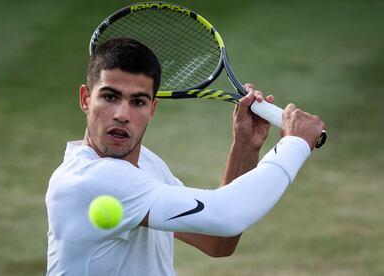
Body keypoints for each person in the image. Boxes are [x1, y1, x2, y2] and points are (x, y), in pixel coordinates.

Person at [46, 38, 324, 275]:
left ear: (152, 109)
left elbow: (218, 242)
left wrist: (246, 146)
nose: (122, 114)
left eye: (138, 102)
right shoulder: (90, 180)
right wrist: (295, 144)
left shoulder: (149, 166)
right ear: (85, 99)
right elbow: (226, 216)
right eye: (109, 97)